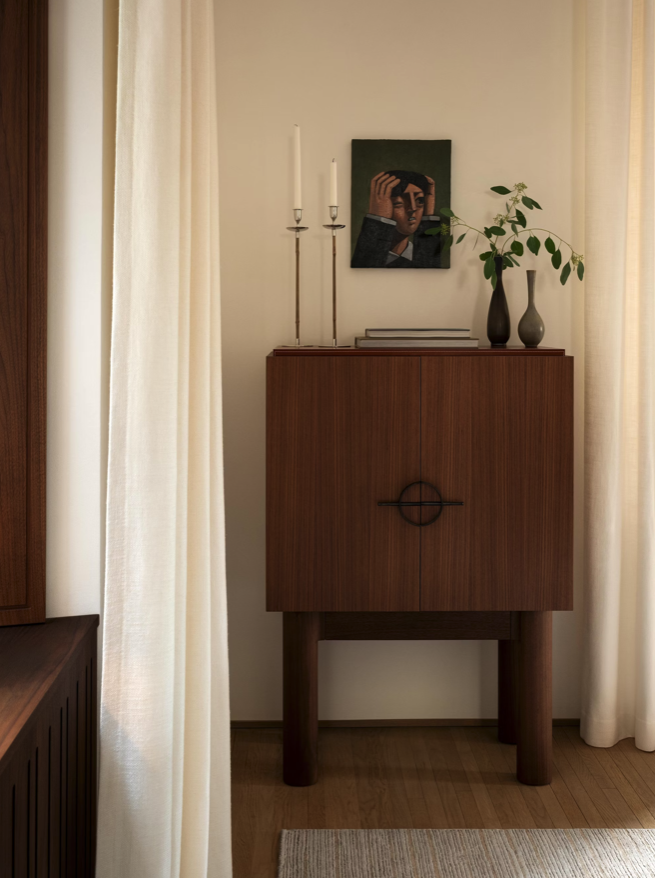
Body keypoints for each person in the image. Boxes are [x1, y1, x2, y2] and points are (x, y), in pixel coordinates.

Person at [351, 169, 446, 268]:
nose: (413, 208)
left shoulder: (424, 256)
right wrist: (377, 222)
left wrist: (428, 218)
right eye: (398, 203)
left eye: (420, 200)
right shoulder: (368, 260)